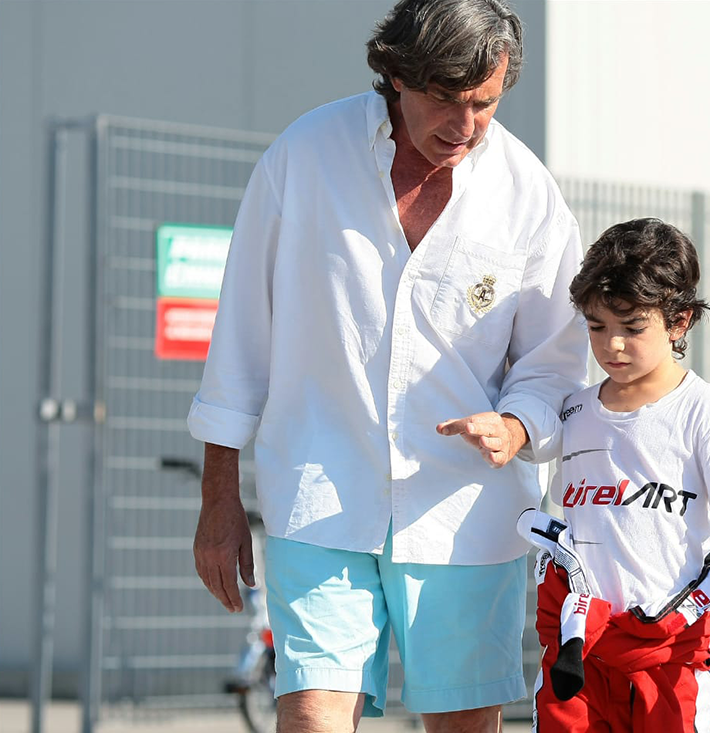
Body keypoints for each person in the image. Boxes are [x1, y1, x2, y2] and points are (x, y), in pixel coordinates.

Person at [187, 1, 588, 731]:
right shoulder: (302, 157)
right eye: (445, 100)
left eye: (485, 104)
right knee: (309, 714)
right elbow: (243, 335)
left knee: (464, 724)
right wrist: (218, 496)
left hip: (467, 514)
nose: (464, 127)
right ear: (395, 74)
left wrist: (519, 423)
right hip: (318, 497)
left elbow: (556, 361)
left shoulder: (529, 197)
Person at [526, 218, 710, 732]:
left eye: (632, 327)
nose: (612, 345)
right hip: (580, 654)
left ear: (679, 321)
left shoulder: (704, 411)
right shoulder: (573, 411)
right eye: (597, 327)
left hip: (667, 655)